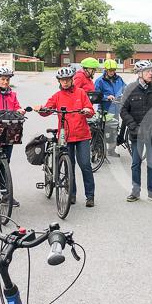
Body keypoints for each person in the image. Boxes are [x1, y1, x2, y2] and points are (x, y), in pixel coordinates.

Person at [39, 67, 96, 207]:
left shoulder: (81, 93)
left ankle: (90, 196)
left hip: (82, 135)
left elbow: (91, 111)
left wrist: (87, 110)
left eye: (67, 80)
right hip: (66, 136)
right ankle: (72, 193)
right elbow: (47, 109)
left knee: (85, 165)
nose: (64, 82)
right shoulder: (57, 96)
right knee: (69, 165)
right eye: (62, 80)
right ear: (59, 81)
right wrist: (41, 109)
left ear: (72, 80)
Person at [120, 60, 152, 203]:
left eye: (151, 71)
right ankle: (135, 191)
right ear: (139, 74)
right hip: (137, 134)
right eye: (147, 71)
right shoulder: (130, 89)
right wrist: (134, 127)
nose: (150, 74)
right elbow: (123, 110)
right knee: (136, 163)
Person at [94, 59, 126, 157]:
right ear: (106, 70)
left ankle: (111, 150)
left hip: (115, 109)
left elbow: (125, 87)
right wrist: (106, 97)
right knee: (101, 130)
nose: (112, 72)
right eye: (110, 70)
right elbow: (96, 95)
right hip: (104, 109)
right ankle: (99, 150)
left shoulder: (119, 79)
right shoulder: (100, 81)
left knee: (113, 130)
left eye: (113, 70)